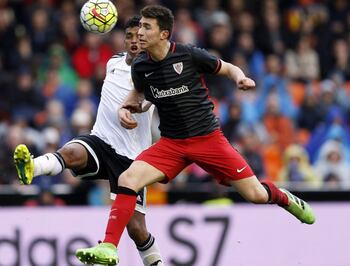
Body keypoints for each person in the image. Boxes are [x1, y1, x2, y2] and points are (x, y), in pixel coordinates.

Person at [75, 5, 316, 265]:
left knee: (256, 195)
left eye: (146, 27)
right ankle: (109, 247)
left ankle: (283, 197)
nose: (139, 33)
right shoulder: (141, 66)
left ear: (164, 34)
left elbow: (227, 67)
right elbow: (139, 92)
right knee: (128, 178)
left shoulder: (188, 55)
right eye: (139, 27)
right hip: (172, 144)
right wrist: (126, 107)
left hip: (208, 140)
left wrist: (240, 78)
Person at [14, 16, 164, 266]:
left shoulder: (154, 71)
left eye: (139, 37)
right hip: (101, 141)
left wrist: (138, 107)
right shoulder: (113, 62)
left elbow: (150, 99)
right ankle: (33, 167)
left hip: (131, 159)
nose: (134, 42)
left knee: (137, 229)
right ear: (123, 40)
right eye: (129, 37)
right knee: (71, 152)